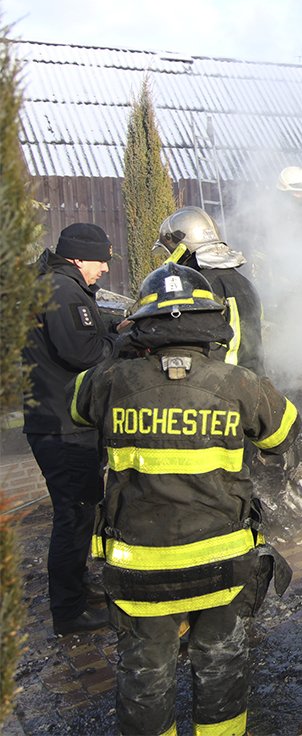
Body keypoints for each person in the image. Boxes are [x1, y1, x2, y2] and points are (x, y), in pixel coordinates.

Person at [68, 262, 300, 736]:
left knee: (146, 677)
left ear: (143, 328)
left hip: (140, 570)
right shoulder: (240, 384)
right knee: (220, 670)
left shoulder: (111, 382)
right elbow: (284, 433)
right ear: (212, 325)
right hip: (221, 564)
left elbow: (75, 405)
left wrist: (121, 346)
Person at [21, 223, 119, 635]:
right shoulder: (64, 291)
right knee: (74, 517)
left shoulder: (59, 285)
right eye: (100, 261)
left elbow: (84, 338)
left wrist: (112, 328)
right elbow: (85, 353)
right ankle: (69, 612)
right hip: (64, 427)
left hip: (60, 421)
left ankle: (77, 591)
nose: (104, 270)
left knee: (78, 513)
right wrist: (123, 344)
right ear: (79, 257)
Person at [155, 206, 264, 374]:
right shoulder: (244, 283)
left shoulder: (201, 286)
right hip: (251, 384)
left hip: (219, 385)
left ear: (181, 249)